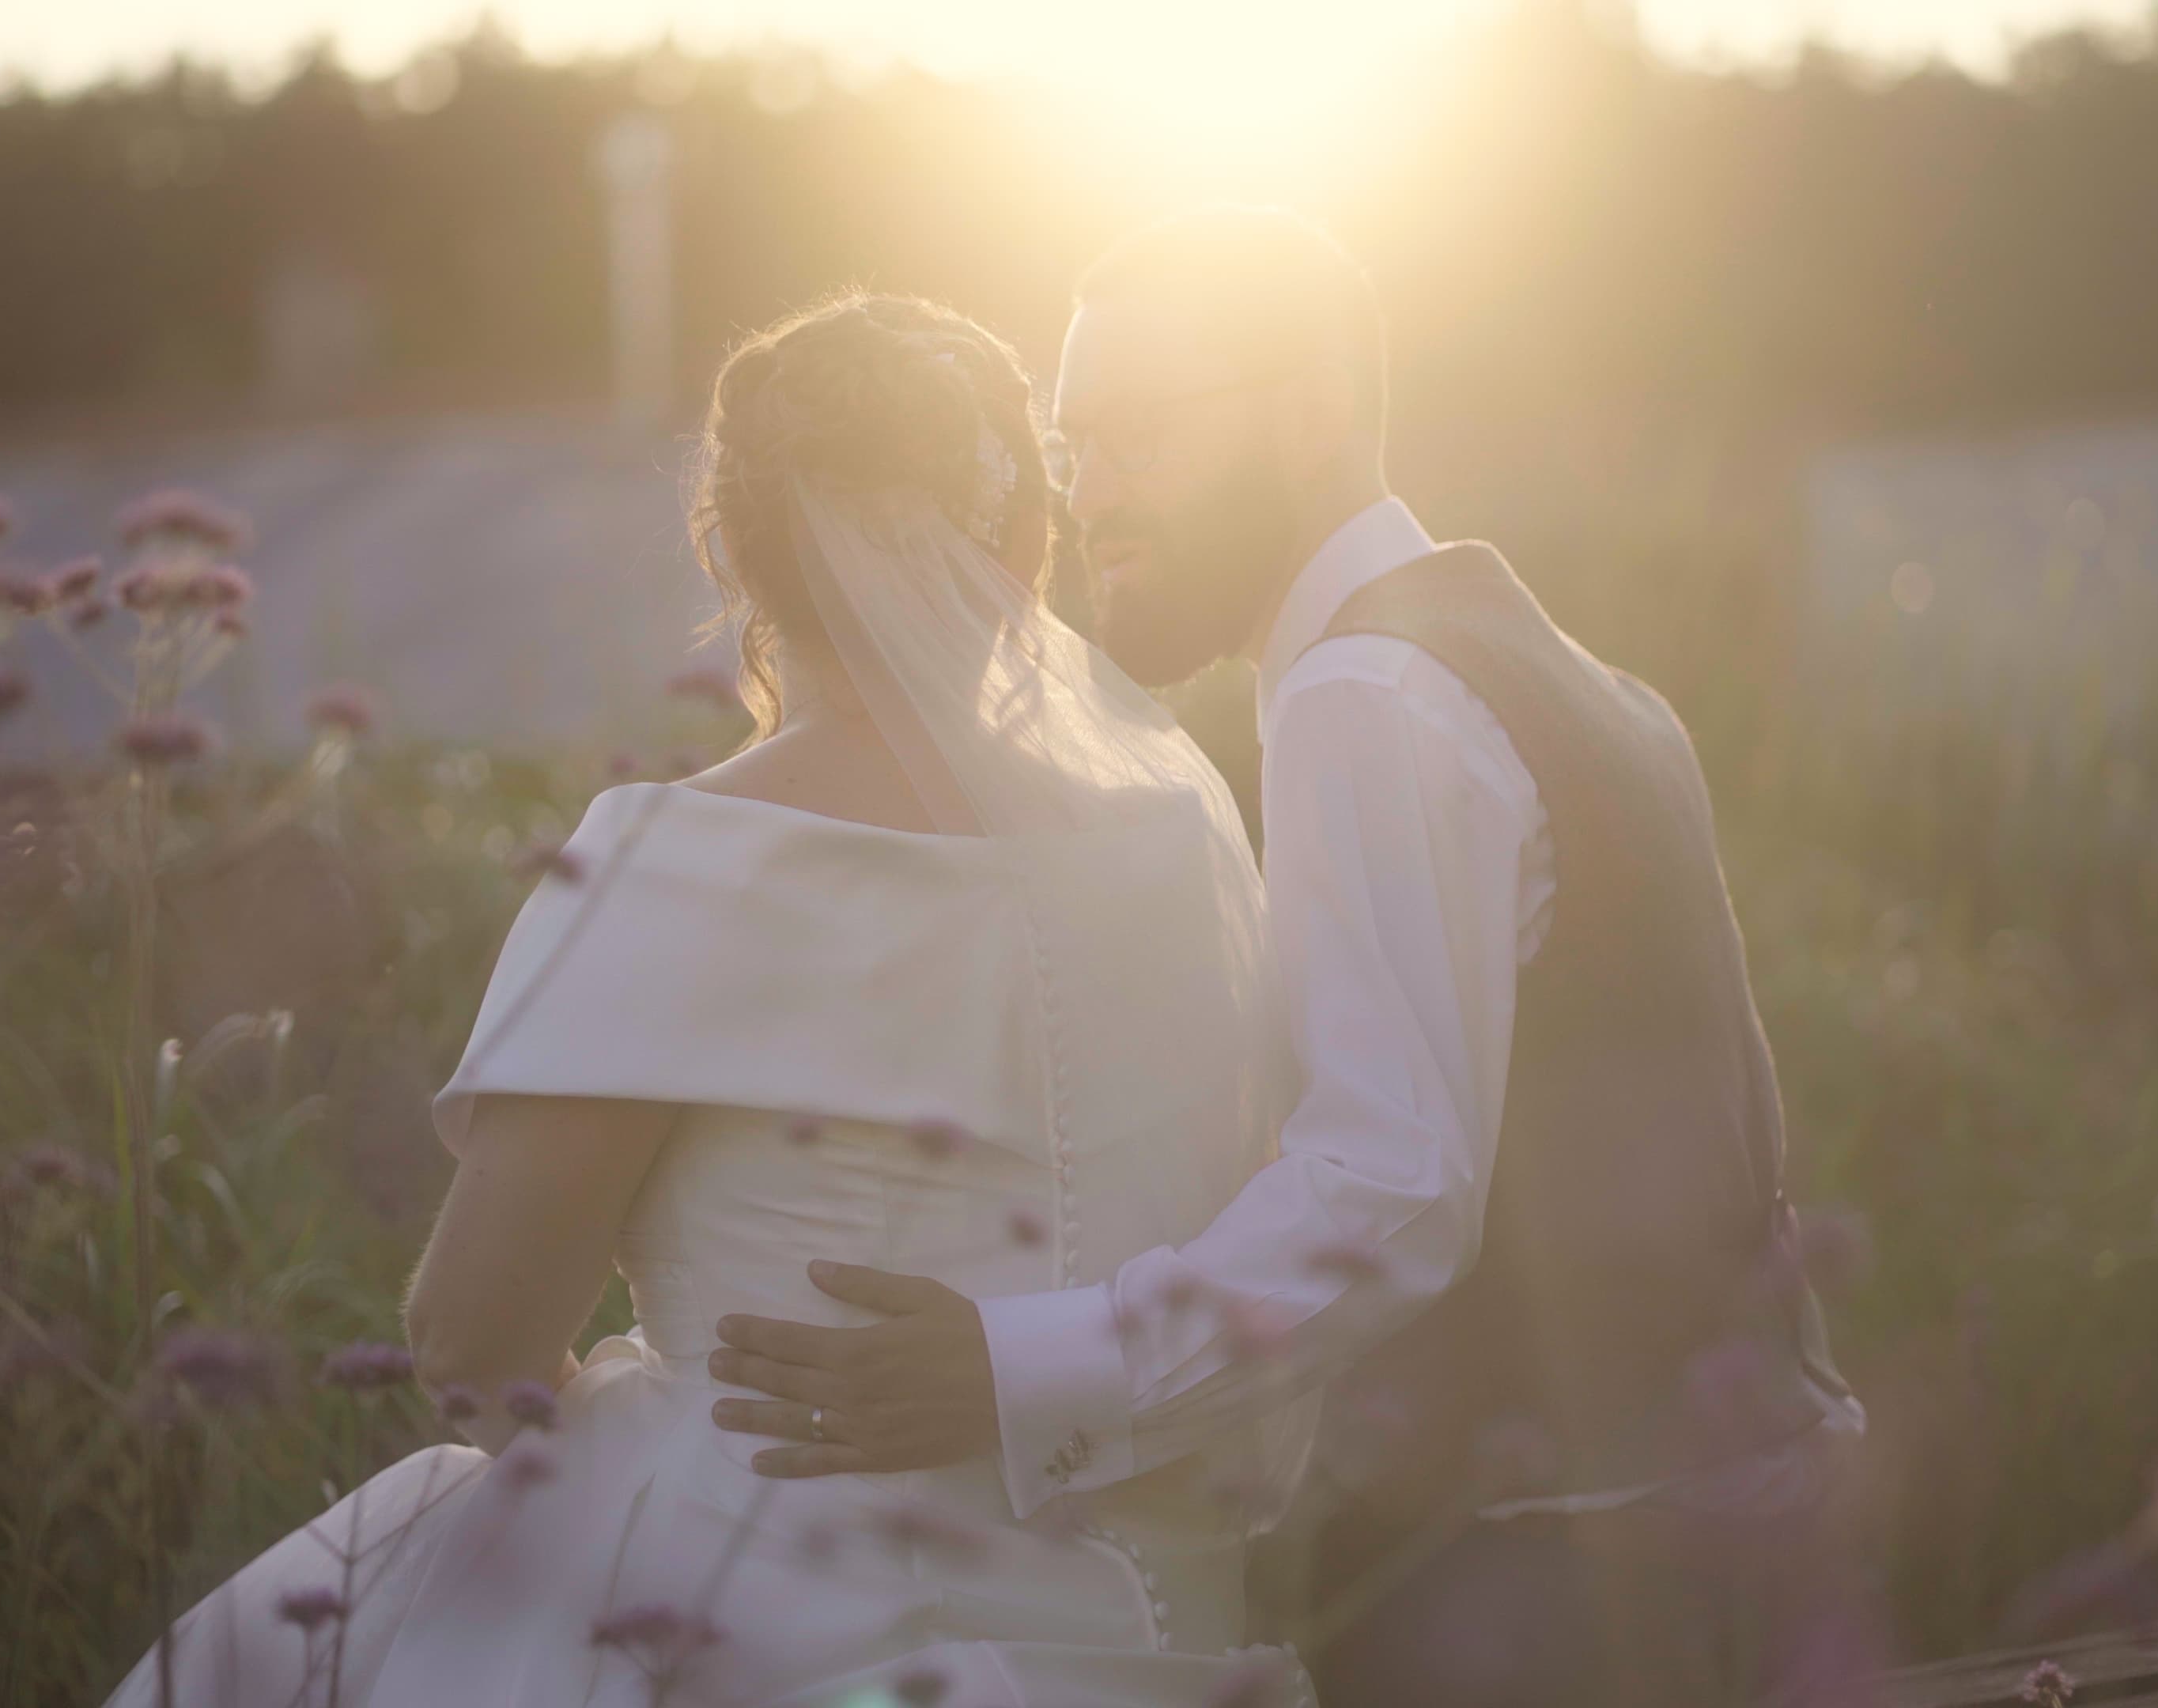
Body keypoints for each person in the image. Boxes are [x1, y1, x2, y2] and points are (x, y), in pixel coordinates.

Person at [711, 208, 1865, 1706]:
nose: (1090, 499)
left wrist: (1021, 1369)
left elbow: (1385, 1191)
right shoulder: (1545, 659)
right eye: (1072, 448)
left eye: (1136, 437)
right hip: (1747, 1518)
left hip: (1558, 1591)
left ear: (1314, 409)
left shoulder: (1365, 693)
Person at [100, 294, 1313, 1708]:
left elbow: (474, 1346)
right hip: (1139, 1620)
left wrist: (657, 1467)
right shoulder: (1175, 848)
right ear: (1025, 539)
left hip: (752, 1618)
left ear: (732, 545)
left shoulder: (677, 860)